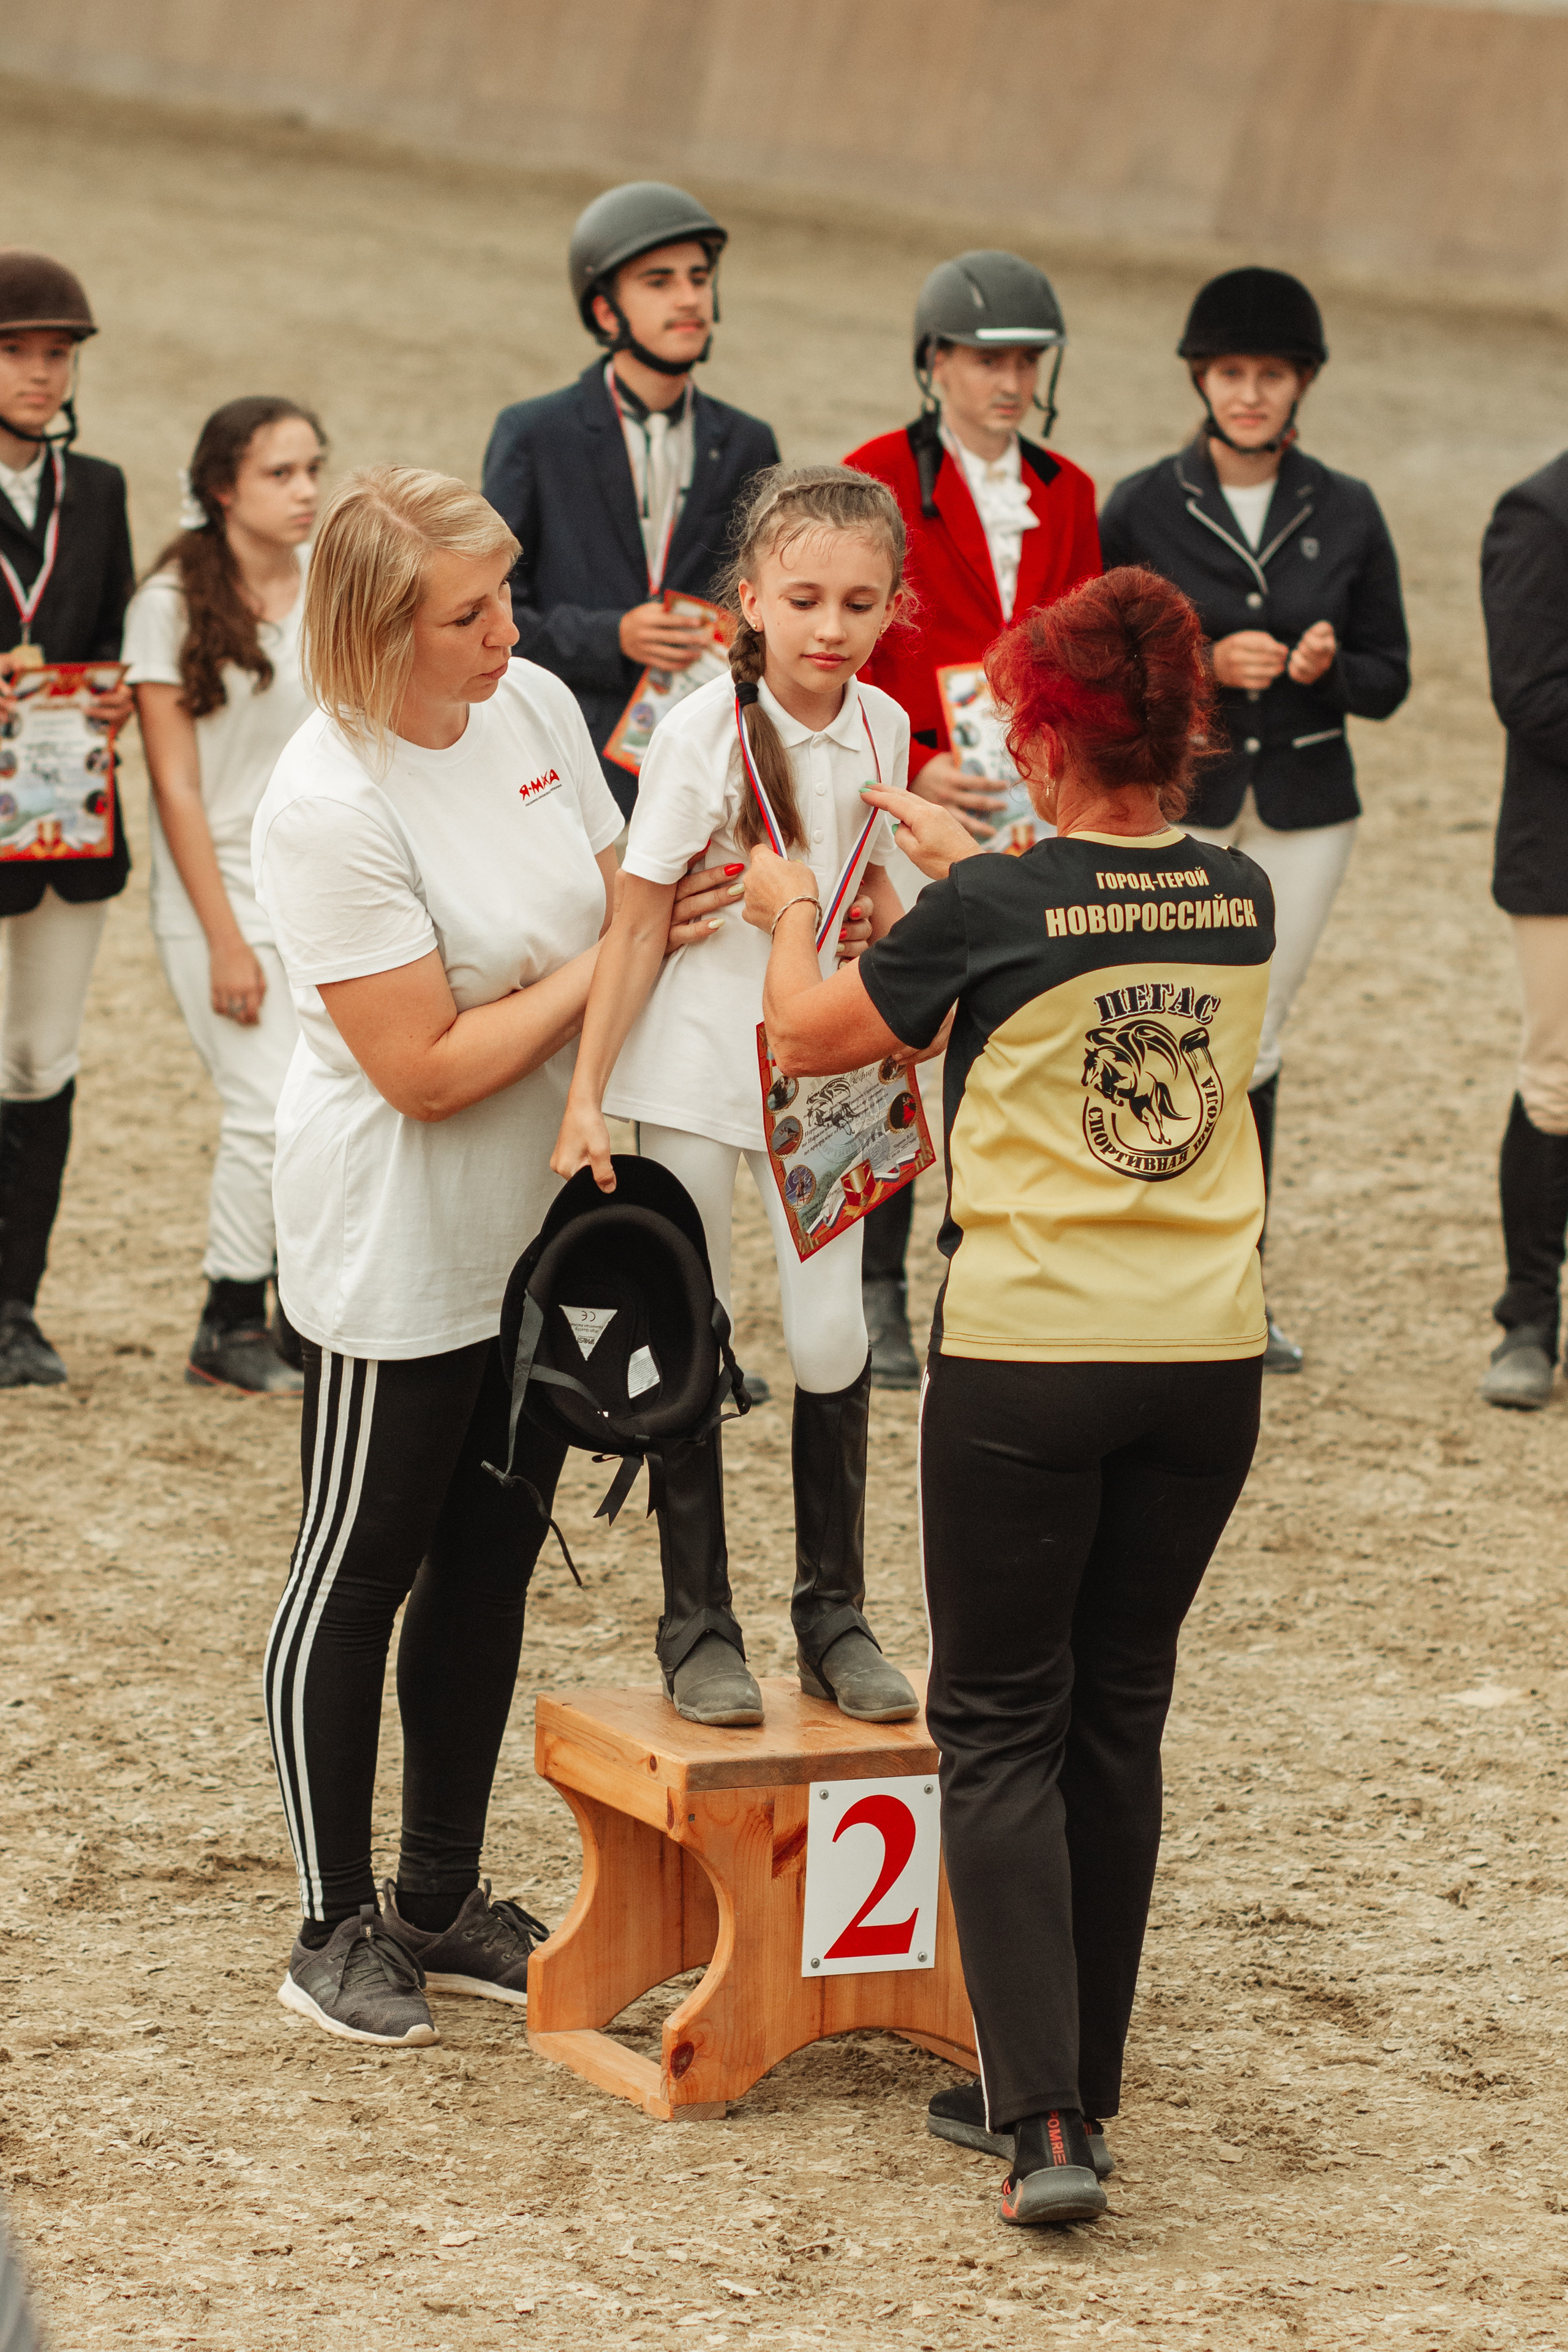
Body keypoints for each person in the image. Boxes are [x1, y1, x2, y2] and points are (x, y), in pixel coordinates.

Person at [742, 565, 1273, 2228]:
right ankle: (1077, 2077)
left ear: (1038, 742)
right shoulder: (1241, 894)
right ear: (1180, 735)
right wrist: (994, 880)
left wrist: (780, 919)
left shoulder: (994, 909)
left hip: (1033, 1357)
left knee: (995, 1725)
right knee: (1120, 1712)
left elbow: (814, 1042)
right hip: (1206, 1358)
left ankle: (1040, 2126)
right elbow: (1096, 920)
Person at [254, 466, 741, 2046]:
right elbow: (430, 1066)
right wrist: (625, 949)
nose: (507, 632)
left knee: (489, 1559)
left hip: (536, 1234)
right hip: (396, 1236)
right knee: (359, 1561)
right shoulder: (327, 800)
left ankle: (437, 1894)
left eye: (503, 598)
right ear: (377, 630)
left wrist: (672, 925)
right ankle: (331, 1923)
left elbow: (626, 900)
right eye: (466, 613)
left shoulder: (531, 705)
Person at [551, 464, 920, 1731]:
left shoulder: (887, 727)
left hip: (829, 1079)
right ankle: (695, 1625)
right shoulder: (697, 729)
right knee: (691, 1336)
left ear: (889, 610)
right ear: (748, 600)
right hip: (701, 1076)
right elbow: (639, 919)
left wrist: (885, 928)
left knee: (832, 1337)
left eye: (859, 603)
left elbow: (868, 886)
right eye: (805, 597)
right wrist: (587, 1089)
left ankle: (834, 1617)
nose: (830, 626)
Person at [1099, 266, 1409, 1373]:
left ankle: (1236, 1284)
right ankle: (1143, 1273)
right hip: (1192, 796)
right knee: (1165, 1028)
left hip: (1308, 811)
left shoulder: (1350, 506)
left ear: (1300, 386)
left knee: (1257, 1042)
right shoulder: (1140, 503)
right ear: (1203, 378)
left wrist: (1325, 666)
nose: (1248, 393)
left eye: (1269, 376)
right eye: (1231, 373)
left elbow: (1391, 678)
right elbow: (1107, 665)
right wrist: (1203, 665)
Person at [843, 251, 1101, 1387]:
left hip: (1038, 805)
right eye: (988, 358)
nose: (1010, 380)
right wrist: (929, 758)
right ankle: (878, 1284)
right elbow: (850, 643)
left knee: (1022, 1036)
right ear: (936, 361)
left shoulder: (1072, 492)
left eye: (1026, 361)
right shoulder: (871, 477)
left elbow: (1087, 648)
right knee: (907, 1033)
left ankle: (1006, 1262)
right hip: (914, 792)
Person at [125, 396, 326, 1392]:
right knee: (266, 1106)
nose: (305, 492)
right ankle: (228, 1318)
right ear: (220, 488)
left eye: (312, 471)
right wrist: (224, 941)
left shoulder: (328, 587)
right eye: (280, 475)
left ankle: (310, 1310)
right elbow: (175, 787)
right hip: (218, 895)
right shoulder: (167, 604)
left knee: (329, 1100)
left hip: (318, 885)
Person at [481, 181, 780, 819]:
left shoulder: (751, 442)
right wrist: (614, 633)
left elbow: (764, 608)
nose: (689, 298)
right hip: (561, 758)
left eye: (699, 279)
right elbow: (491, 614)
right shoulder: (533, 434)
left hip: (706, 761)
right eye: (659, 281)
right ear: (606, 312)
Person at [0, 249, 134, 1387]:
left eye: (58, 354)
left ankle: (16, 1307)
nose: (42, 374)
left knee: (41, 1060)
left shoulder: (101, 490)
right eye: (17, 353)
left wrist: (112, 697)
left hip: (64, 817)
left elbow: (108, 642)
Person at [1477, 452, 1568, 1407]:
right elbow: (1531, 697)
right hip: (1563, 857)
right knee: (1559, 1079)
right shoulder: (1540, 513)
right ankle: (1529, 1318)